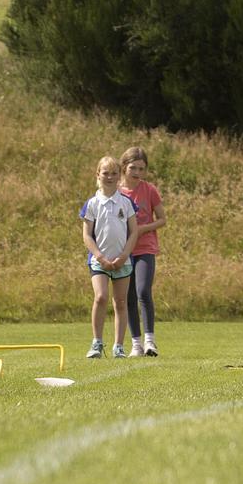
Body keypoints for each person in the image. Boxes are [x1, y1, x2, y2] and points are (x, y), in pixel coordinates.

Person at [81, 156, 139, 359]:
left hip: (122, 261)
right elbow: (87, 235)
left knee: (120, 302)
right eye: (106, 173)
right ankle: (97, 343)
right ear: (98, 175)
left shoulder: (126, 203)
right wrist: (100, 257)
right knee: (101, 297)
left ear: (119, 176)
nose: (110, 177)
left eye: (114, 173)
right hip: (99, 261)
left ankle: (119, 346)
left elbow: (134, 232)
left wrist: (124, 255)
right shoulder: (93, 204)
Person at [119, 146, 165, 357]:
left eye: (141, 169)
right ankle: (135, 344)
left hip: (145, 248)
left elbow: (162, 219)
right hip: (123, 251)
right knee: (128, 297)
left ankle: (150, 341)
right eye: (133, 168)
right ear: (124, 168)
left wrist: (142, 230)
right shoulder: (116, 192)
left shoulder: (149, 190)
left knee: (143, 291)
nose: (137, 173)